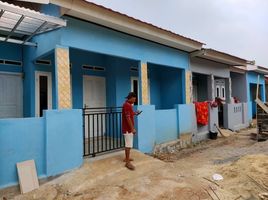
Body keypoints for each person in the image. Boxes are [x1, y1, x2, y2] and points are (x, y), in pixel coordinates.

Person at [122, 92, 140, 170]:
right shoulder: (127, 105)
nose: (135, 100)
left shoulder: (128, 105)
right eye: (134, 99)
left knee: (128, 144)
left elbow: (130, 114)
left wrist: (136, 113)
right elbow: (128, 118)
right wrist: (132, 128)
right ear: (131, 98)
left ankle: (127, 158)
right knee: (128, 145)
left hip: (128, 128)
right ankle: (127, 163)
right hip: (127, 129)